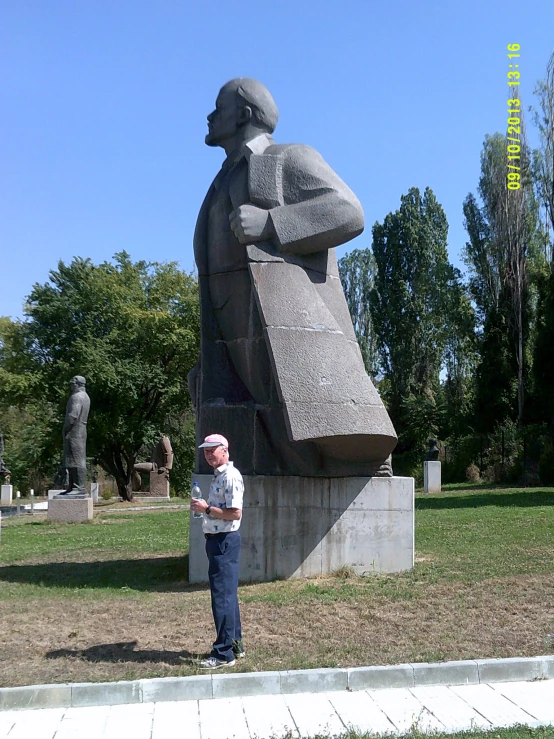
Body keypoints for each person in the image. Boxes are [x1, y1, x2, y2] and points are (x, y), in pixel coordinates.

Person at [189, 78, 397, 478]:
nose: (211, 116)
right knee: (268, 435)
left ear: (245, 113)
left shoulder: (287, 158)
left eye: (219, 107)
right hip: (231, 330)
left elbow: (348, 211)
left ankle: (366, 463)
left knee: (320, 430)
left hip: (283, 325)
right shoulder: (220, 182)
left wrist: (272, 221)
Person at [190, 433, 245, 669]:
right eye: (205, 450)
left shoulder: (231, 476)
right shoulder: (219, 475)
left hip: (224, 540)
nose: (208, 454)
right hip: (217, 540)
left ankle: (223, 654)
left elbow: (235, 513)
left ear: (225, 450)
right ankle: (235, 646)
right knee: (227, 596)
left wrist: (207, 508)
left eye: (213, 450)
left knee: (222, 597)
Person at [60, 376, 90, 495]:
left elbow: (72, 416)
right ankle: (72, 487)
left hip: (74, 431)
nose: (71, 385)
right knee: (72, 459)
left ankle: (79, 487)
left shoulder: (76, 397)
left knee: (76, 459)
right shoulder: (86, 397)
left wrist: (65, 429)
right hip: (81, 430)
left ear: (78, 384)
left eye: (72, 383)